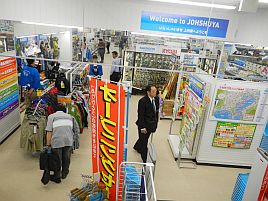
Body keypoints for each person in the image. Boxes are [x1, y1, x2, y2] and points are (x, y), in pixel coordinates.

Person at [45, 105, 79, 183]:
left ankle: (57, 176)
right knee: (66, 157)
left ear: (55, 110)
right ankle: (64, 173)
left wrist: (48, 144)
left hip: (57, 140)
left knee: (57, 159)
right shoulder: (70, 116)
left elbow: (49, 131)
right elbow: (74, 130)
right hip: (68, 140)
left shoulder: (51, 116)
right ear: (64, 111)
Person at [134, 85, 159, 163]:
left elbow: (156, 111)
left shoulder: (157, 99)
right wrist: (142, 127)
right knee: (144, 143)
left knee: (144, 138)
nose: (155, 93)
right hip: (144, 124)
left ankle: (137, 147)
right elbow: (140, 116)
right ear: (148, 92)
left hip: (152, 124)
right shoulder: (142, 101)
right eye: (153, 92)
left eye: (156, 91)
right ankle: (145, 161)